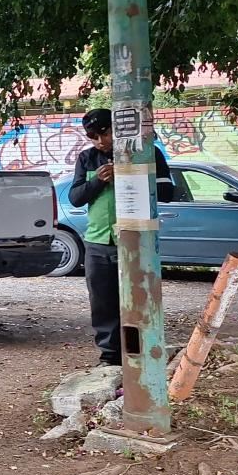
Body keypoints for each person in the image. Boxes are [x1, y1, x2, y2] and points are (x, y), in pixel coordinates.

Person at [68, 108, 175, 367]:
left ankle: (144, 355)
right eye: (92, 136)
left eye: (104, 133)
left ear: (118, 128)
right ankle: (110, 359)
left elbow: (168, 192)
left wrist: (131, 175)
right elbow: (75, 197)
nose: (100, 141)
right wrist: (98, 182)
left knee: (140, 300)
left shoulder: (148, 154)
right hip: (98, 243)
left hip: (138, 242)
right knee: (103, 304)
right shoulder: (87, 159)